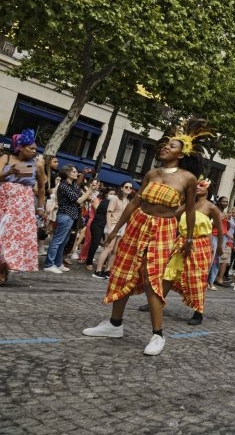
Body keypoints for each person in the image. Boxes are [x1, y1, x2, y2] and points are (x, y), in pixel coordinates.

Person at [82, 119, 209, 356]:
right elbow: (135, 203)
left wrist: (189, 240)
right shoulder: (152, 173)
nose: (165, 148)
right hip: (137, 225)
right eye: (165, 145)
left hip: (164, 229)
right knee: (122, 272)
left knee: (153, 279)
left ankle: (158, 335)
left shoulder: (187, 179)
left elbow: (190, 211)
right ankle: (114, 324)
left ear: (182, 154)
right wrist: (114, 231)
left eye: (171, 146)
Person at [165, 178, 222, 326]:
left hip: (200, 245)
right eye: (195, 186)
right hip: (181, 242)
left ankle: (198, 312)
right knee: (169, 273)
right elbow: (172, 214)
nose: (197, 188)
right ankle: (158, 302)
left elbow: (220, 229)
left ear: (207, 190)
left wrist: (220, 247)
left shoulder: (212, 208)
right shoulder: (188, 204)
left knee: (197, 278)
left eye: (201, 186)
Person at [0, 129, 46, 284]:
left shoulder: (37, 165)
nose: (34, 151)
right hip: (3, 201)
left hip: (22, 207)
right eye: (31, 148)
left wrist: (40, 208)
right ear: (20, 147)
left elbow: (41, 188)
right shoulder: (6, 158)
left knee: (12, 238)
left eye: (35, 149)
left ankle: (3, 268)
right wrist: (8, 172)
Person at [44, 164, 97, 273]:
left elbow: (80, 194)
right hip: (65, 215)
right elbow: (79, 200)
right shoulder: (64, 186)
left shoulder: (72, 185)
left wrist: (86, 182)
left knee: (64, 241)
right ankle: (49, 264)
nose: (76, 173)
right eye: (74, 171)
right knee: (58, 241)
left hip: (71, 216)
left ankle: (58, 263)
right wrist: (90, 189)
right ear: (67, 173)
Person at [92, 181, 133, 279]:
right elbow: (108, 213)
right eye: (126, 187)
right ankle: (98, 270)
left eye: (130, 188)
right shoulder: (115, 198)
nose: (128, 189)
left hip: (122, 226)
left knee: (115, 251)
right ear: (122, 188)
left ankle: (107, 270)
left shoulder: (128, 201)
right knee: (108, 248)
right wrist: (110, 227)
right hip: (113, 225)